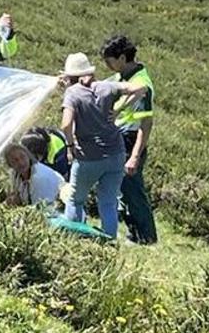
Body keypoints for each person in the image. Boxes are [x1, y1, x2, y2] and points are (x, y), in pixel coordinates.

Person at [59, 52, 150, 239]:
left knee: (76, 199)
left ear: (70, 77)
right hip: (115, 154)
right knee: (108, 201)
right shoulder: (107, 87)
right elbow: (141, 88)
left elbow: (66, 124)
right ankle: (109, 240)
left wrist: (70, 146)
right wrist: (119, 109)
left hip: (88, 156)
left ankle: (74, 237)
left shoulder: (72, 93)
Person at [102, 34, 158, 244]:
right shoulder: (122, 77)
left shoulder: (141, 84)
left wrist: (135, 155)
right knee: (123, 188)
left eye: (110, 61)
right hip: (119, 136)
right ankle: (134, 233)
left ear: (123, 58)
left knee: (133, 188)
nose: (108, 65)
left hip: (131, 139)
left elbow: (146, 123)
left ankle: (146, 236)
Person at [3, 143, 64, 208]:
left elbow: (40, 209)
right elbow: (17, 194)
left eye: (22, 156)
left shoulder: (39, 178)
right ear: (10, 165)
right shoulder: (16, 174)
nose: (21, 163)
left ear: (28, 155)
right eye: (14, 161)